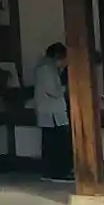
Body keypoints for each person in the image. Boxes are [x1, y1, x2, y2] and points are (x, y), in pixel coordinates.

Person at [32, 43, 72, 180]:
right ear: (57, 56)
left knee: (52, 143)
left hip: (49, 111)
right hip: (52, 112)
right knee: (57, 143)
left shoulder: (46, 68)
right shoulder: (46, 69)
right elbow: (54, 91)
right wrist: (66, 86)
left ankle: (53, 171)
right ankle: (58, 172)